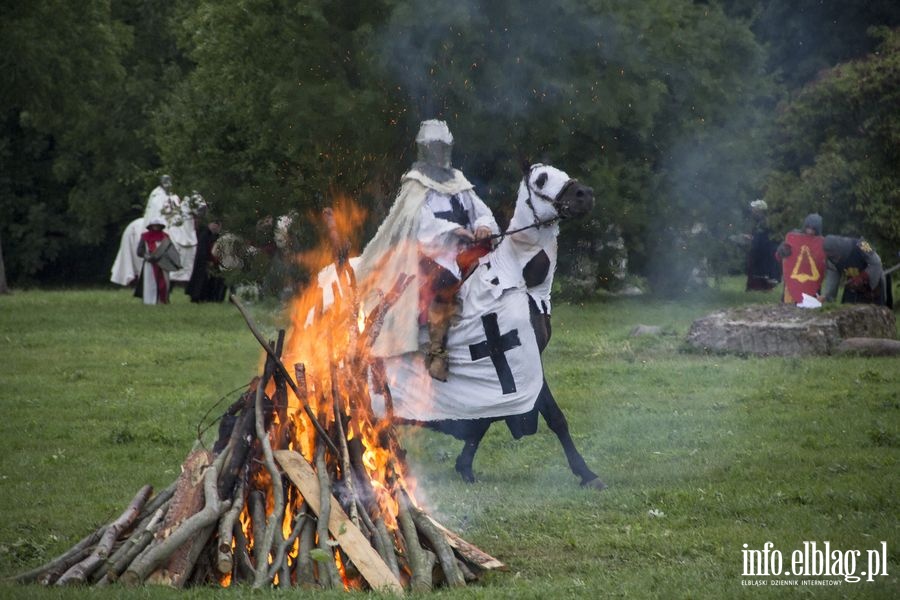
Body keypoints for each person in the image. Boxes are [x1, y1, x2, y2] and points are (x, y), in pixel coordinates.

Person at [355, 119, 499, 380]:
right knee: (445, 281)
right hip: (427, 253)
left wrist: (483, 226)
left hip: (461, 252)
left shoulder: (459, 181)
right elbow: (418, 221)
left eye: (442, 147)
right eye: (434, 147)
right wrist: (453, 230)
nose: (438, 153)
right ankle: (437, 352)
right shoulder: (416, 182)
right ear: (425, 149)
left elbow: (482, 212)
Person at [143, 175, 198, 283]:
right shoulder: (156, 195)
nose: (168, 184)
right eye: (165, 181)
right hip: (160, 225)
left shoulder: (175, 197)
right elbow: (156, 212)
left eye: (169, 181)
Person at [819, 235, 888, 306]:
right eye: (831, 256)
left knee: (874, 314)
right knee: (847, 313)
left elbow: (877, 262)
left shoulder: (862, 244)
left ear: (839, 248)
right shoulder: (831, 258)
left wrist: (863, 276)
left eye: (835, 254)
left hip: (873, 285)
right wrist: (827, 296)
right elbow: (832, 277)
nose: (836, 258)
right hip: (852, 285)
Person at [135, 217, 179, 305]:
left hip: (163, 263)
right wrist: (147, 257)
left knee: (164, 283)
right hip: (149, 264)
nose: (156, 227)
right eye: (154, 225)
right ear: (151, 226)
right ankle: (149, 301)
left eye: (157, 225)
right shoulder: (145, 236)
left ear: (160, 226)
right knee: (150, 283)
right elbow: (140, 251)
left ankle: (162, 300)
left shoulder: (165, 236)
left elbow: (170, 250)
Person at [185, 217, 227, 303]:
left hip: (211, 262)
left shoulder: (216, 236)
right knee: (200, 281)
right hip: (202, 262)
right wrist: (208, 260)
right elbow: (202, 250)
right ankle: (196, 297)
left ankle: (207, 297)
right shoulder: (204, 234)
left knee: (209, 281)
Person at [744, 199, 780, 291]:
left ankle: (763, 288)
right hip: (760, 249)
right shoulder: (758, 221)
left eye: (754, 209)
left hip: (763, 251)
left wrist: (753, 239)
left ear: (759, 210)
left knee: (761, 270)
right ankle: (757, 287)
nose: (752, 211)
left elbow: (763, 237)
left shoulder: (764, 222)